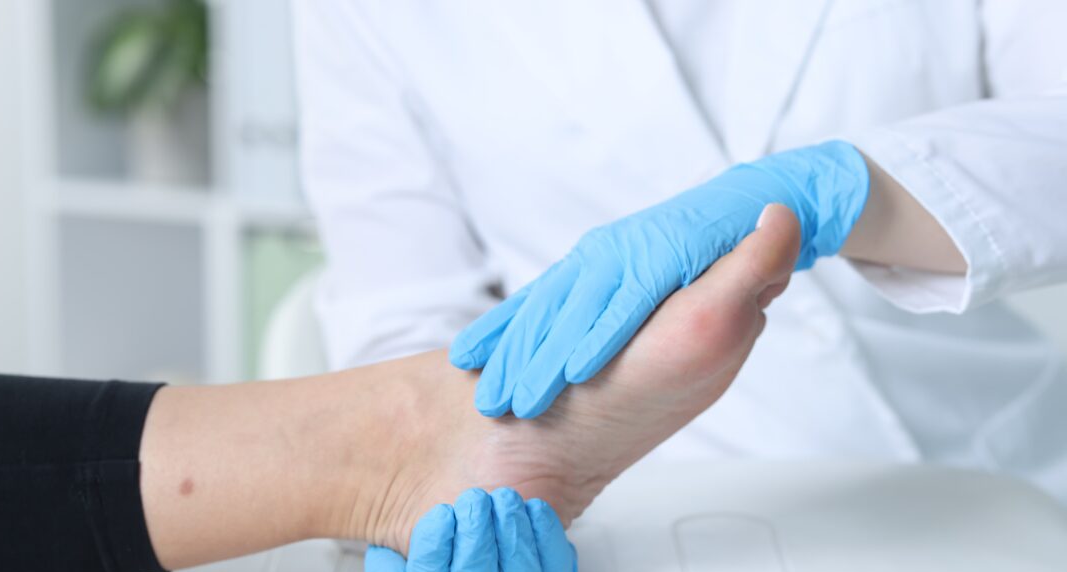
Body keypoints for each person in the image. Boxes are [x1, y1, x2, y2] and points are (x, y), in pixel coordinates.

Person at [294, 1, 1067, 501]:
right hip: (659, 513)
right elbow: (408, 328)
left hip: (1015, 469)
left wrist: (848, 187)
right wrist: (454, 498)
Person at [0, 207, 801, 572]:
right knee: (434, 402)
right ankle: (400, 441)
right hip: (570, 388)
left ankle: (400, 440)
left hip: (922, 440)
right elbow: (401, 288)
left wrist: (857, 189)